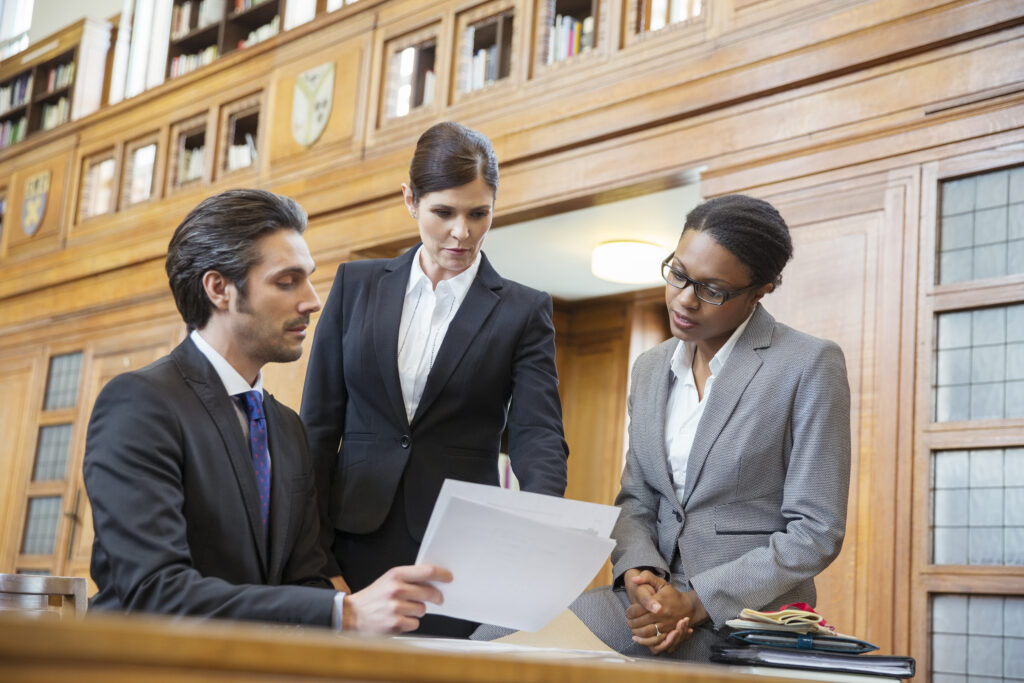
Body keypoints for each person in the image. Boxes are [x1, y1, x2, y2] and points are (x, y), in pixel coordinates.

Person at [84, 189, 451, 631]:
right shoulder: (140, 404)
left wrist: (380, 617)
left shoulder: (286, 428)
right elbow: (157, 591)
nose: (313, 301)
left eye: (309, 279)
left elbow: (303, 580)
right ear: (219, 288)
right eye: (286, 281)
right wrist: (345, 612)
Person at [301, 122, 569, 637]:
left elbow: (537, 433)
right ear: (410, 200)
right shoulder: (355, 286)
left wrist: (543, 527)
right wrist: (311, 556)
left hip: (458, 552)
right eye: (443, 212)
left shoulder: (523, 310)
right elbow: (317, 427)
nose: (461, 232)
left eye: (478, 213)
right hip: (350, 539)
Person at [570, 194, 851, 660]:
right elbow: (637, 498)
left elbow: (816, 531)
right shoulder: (650, 366)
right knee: (492, 642)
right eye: (678, 274)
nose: (684, 299)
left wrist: (698, 602)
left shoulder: (808, 364)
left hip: (744, 615)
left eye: (712, 290)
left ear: (761, 289)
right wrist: (640, 573)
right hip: (646, 599)